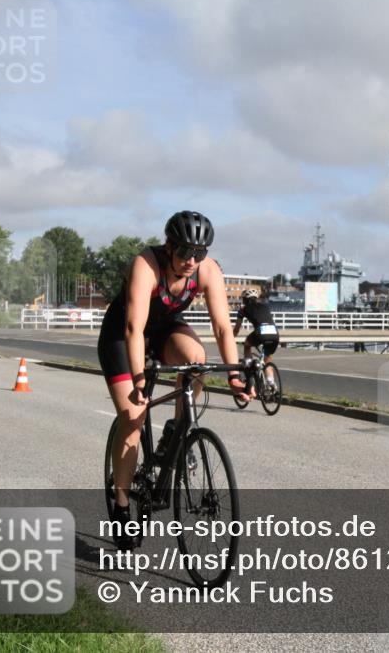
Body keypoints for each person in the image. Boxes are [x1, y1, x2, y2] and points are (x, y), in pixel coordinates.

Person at [97, 211, 250, 550]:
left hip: (165, 328)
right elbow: (134, 328)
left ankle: (174, 434)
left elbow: (223, 328)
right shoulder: (146, 264)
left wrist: (236, 375)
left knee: (197, 361)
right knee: (133, 420)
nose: (191, 260)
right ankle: (122, 508)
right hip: (123, 336)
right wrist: (139, 382)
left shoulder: (207, 271)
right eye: (184, 252)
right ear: (169, 247)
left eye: (200, 253)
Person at [233, 289, 280, 364]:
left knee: (247, 345)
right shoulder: (265, 306)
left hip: (261, 333)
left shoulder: (243, 309)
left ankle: (248, 363)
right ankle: (270, 376)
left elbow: (236, 329)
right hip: (275, 334)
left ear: (245, 300)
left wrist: (231, 339)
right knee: (267, 361)